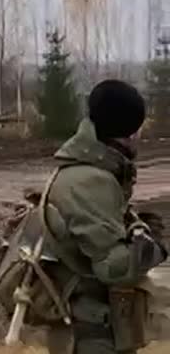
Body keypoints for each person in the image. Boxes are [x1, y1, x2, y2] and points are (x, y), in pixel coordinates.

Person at [42, 79, 168, 354]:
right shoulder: (90, 182)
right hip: (90, 333)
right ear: (129, 132)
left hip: (92, 326)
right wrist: (152, 246)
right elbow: (114, 269)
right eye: (137, 128)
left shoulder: (88, 171)